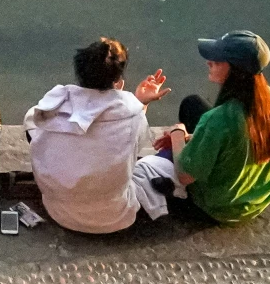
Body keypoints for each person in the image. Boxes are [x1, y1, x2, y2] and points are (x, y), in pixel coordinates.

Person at [24, 38, 175, 235]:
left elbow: (34, 122)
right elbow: (134, 141)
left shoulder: (54, 104)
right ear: (118, 81)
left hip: (59, 211)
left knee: (33, 125)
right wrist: (140, 103)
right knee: (156, 164)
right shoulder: (132, 114)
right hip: (114, 216)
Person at [154, 30, 270, 226]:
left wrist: (178, 135)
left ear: (234, 70)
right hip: (259, 199)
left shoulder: (218, 119)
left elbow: (185, 176)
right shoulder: (269, 102)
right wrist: (195, 138)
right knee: (193, 104)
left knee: (153, 177)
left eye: (217, 60)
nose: (209, 62)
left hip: (220, 208)